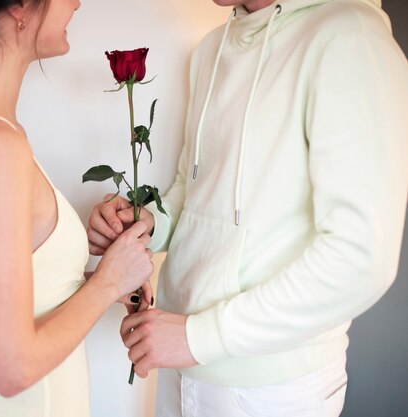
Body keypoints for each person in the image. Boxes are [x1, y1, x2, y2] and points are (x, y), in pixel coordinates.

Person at [87, 0, 408, 415]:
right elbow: (195, 187)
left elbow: (361, 257)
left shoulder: (351, 37)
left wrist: (200, 338)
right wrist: (146, 223)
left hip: (272, 386)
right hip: (177, 354)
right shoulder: (210, 49)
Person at [0, 1, 155, 416]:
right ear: (19, 8)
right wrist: (106, 282)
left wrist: (87, 280)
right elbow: (11, 369)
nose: (76, 3)